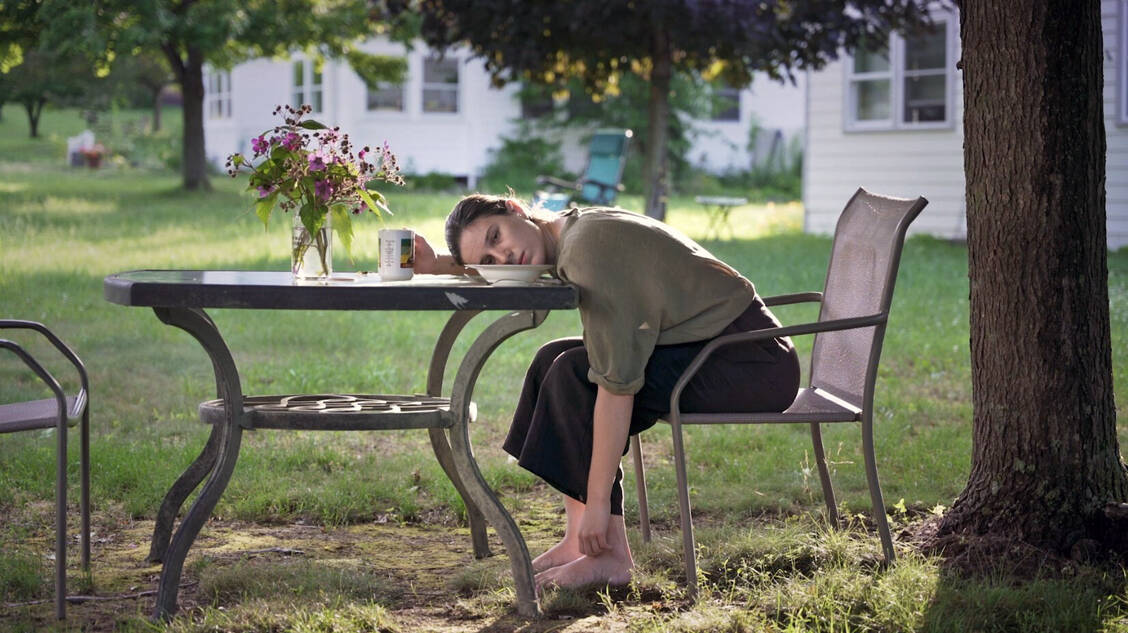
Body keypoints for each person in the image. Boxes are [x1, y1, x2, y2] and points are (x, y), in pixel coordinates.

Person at [413, 193, 800, 591]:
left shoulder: (586, 251)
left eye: (496, 236)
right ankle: (576, 539)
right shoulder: (567, 231)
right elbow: (503, 260)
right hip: (710, 344)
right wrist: (436, 265)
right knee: (552, 360)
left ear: (513, 209)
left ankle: (610, 555)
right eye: (489, 261)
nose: (504, 257)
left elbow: (617, 386)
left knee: (575, 375)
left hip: (751, 361)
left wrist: (601, 502)